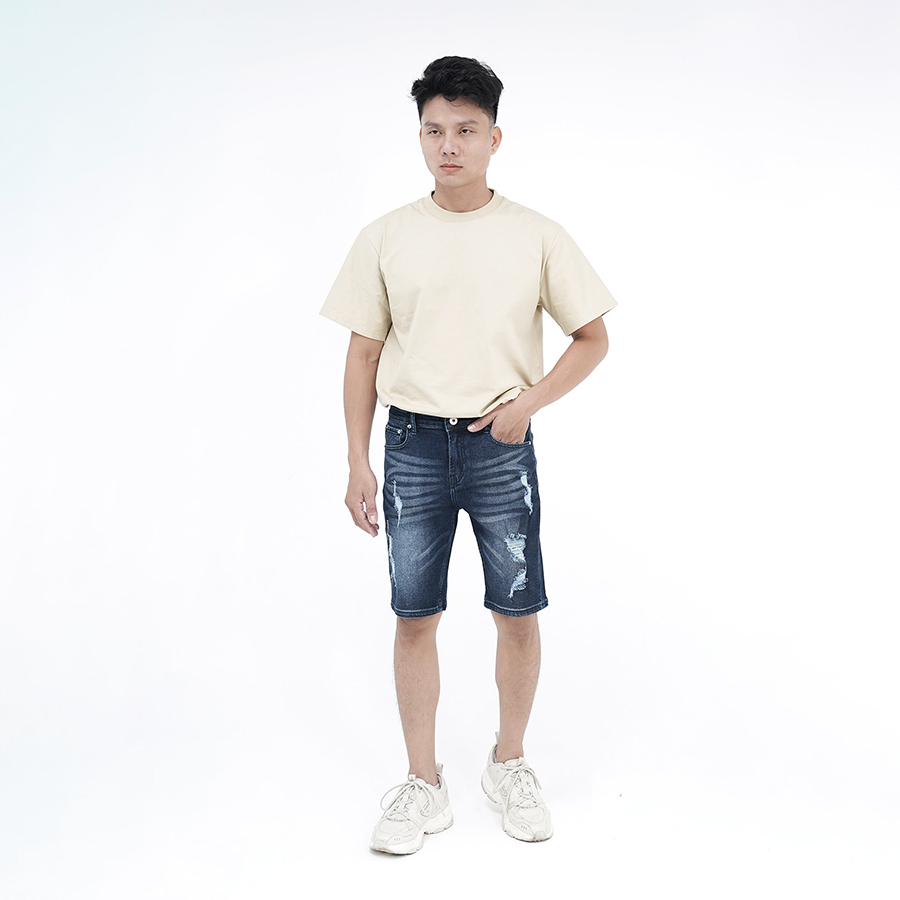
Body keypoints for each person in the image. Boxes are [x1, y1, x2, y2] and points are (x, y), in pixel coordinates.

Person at [320, 56, 617, 854]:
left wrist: (528, 404)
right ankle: (423, 783)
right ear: (419, 136)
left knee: (517, 612)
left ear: (494, 138)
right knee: (414, 614)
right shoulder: (386, 236)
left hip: (500, 445)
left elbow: (593, 337)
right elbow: (361, 354)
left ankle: (508, 763)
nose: (448, 145)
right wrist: (356, 460)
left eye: (464, 130)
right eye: (433, 130)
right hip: (411, 444)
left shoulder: (536, 235)